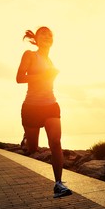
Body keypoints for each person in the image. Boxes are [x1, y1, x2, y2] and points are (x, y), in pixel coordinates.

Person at [16, 26, 72, 198]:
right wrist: (44, 75)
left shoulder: (51, 62)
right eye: (43, 34)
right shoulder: (30, 55)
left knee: (55, 142)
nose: (47, 36)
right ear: (37, 39)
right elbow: (19, 78)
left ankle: (58, 184)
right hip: (31, 107)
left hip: (50, 105)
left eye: (50, 34)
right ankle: (27, 138)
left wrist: (50, 75)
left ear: (52, 40)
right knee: (32, 148)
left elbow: (48, 83)